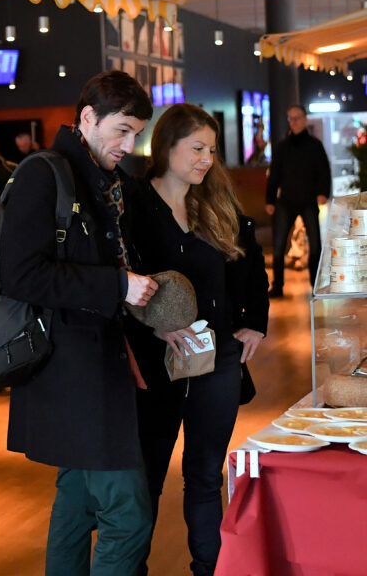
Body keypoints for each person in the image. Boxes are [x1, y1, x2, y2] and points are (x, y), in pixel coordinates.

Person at [0, 70, 159, 576]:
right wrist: (116, 287)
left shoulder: (101, 179)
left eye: (136, 133)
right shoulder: (42, 174)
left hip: (94, 366)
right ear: (87, 118)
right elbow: (20, 275)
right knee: (128, 513)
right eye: (122, 131)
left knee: (76, 501)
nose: (129, 145)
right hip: (69, 372)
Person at [126, 103, 269, 576]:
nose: (207, 159)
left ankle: (208, 569)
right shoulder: (132, 205)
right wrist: (152, 325)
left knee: (205, 475)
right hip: (155, 362)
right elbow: (120, 286)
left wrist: (256, 320)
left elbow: (252, 269)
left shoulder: (216, 202)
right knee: (146, 479)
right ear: (166, 147)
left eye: (212, 149)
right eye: (197, 148)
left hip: (216, 360)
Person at [266, 104, 331, 297]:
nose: (293, 122)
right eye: (290, 118)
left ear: (304, 120)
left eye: (297, 118)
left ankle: (316, 286)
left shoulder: (315, 146)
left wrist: (323, 193)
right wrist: (269, 200)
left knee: (316, 247)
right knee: (278, 246)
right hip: (285, 201)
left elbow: (324, 171)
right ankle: (277, 286)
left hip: (308, 200)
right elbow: (274, 175)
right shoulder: (282, 147)